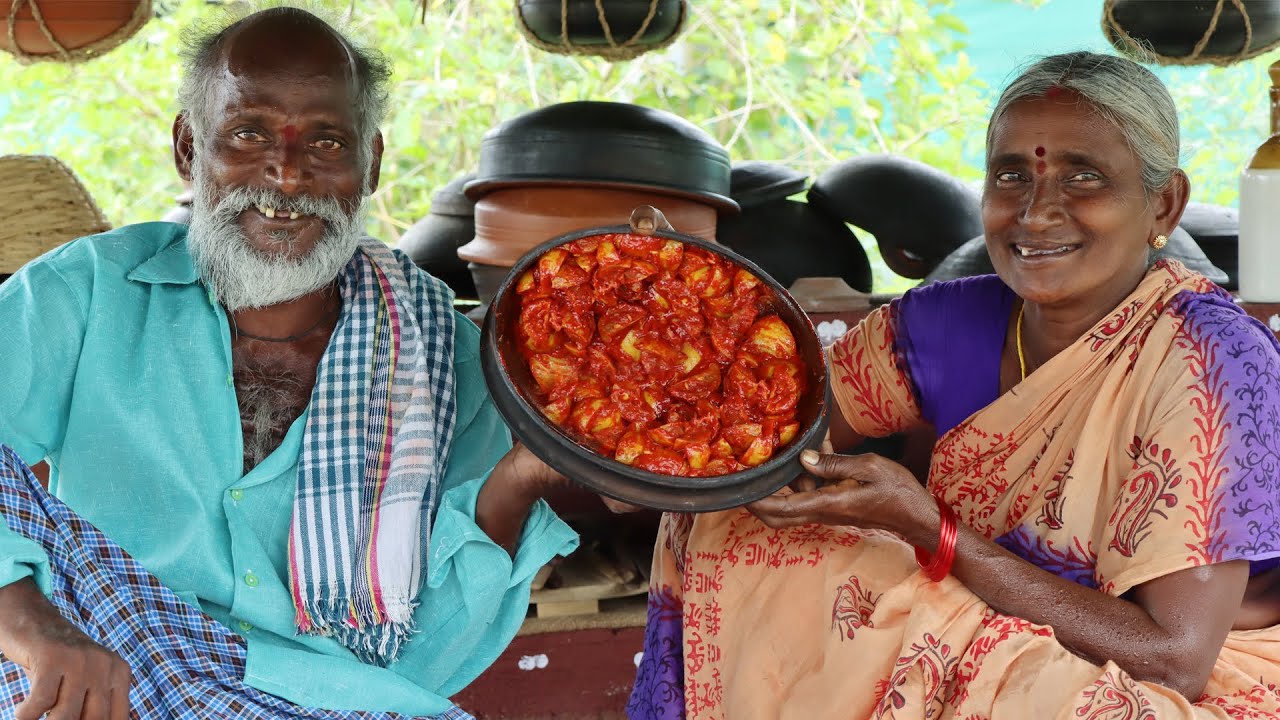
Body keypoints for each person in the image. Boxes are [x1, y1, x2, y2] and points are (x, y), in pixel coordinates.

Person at [628, 51, 1280, 719]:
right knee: (726, 522)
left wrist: (929, 529)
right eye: (1011, 176)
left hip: (1189, 678)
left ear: (1164, 204)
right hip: (990, 624)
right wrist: (663, 310)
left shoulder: (1213, 358)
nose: (1036, 213)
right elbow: (760, 438)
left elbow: (1174, 659)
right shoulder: (942, 322)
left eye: (1083, 177)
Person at [0, 7, 579, 719]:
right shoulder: (86, 293)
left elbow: (433, 655)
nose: (287, 173)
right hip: (108, 690)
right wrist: (33, 626)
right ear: (188, 148)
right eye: (249, 133)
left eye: (327, 142)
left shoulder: (446, 361)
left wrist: (523, 476)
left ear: (370, 164)